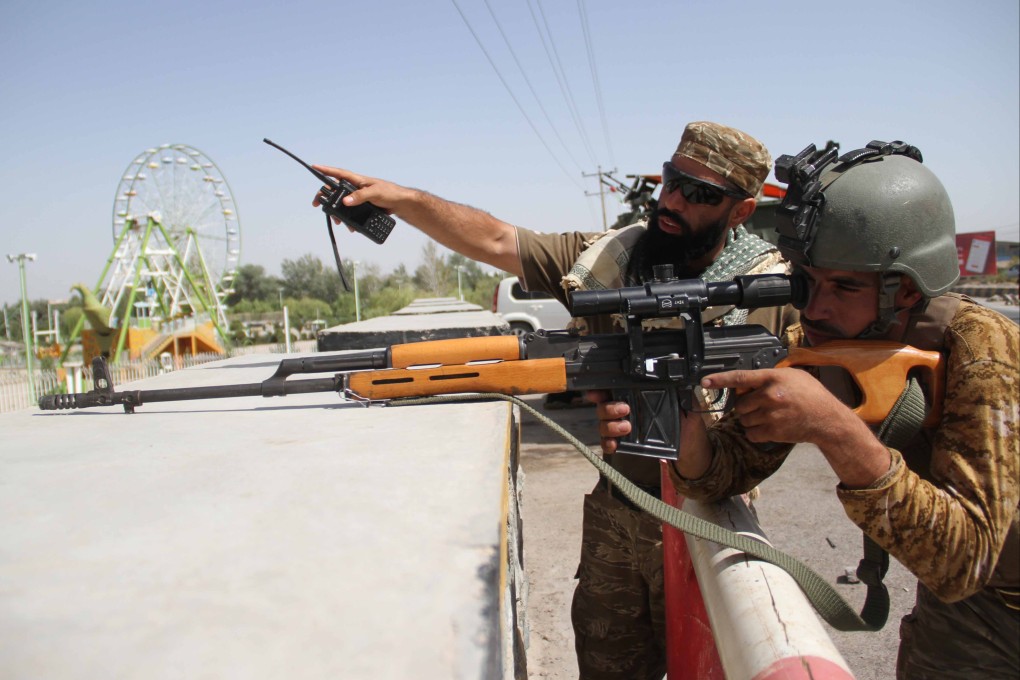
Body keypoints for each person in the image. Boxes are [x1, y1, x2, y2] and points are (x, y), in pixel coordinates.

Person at [312, 121, 795, 679]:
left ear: (741, 211)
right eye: (672, 180)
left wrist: (689, 422)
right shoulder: (615, 256)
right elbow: (496, 240)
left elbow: (771, 433)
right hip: (618, 514)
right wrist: (400, 198)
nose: (674, 200)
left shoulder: (767, 293)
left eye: (701, 194)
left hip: (709, 526)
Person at [594, 140, 1020, 678]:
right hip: (966, 619)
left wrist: (836, 429)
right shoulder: (814, 341)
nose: (814, 307)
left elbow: (963, 560)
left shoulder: (982, 350)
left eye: (843, 286)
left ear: (905, 291)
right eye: (805, 282)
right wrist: (685, 421)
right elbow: (722, 476)